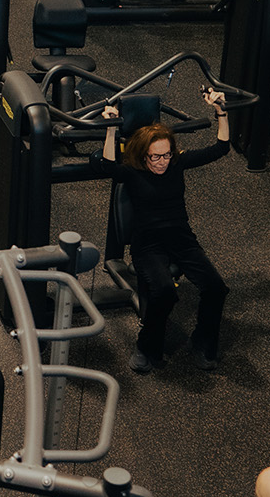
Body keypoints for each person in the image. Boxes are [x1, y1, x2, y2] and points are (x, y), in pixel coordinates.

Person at [92, 89, 232, 373]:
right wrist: (110, 129)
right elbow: (108, 166)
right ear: (144, 156)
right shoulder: (132, 172)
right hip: (148, 244)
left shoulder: (176, 164)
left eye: (166, 155)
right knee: (164, 292)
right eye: (155, 157)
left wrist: (221, 111)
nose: (162, 162)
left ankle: (203, 341)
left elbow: (221, 148)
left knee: (217, 288)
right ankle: (147, 346)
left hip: (182, 239)